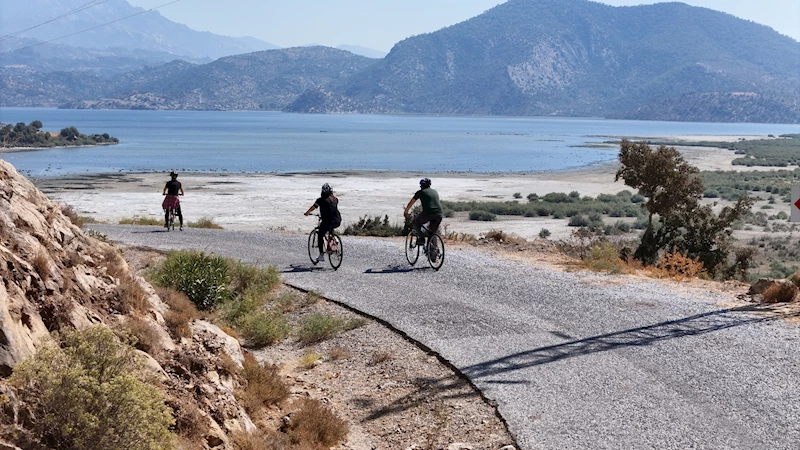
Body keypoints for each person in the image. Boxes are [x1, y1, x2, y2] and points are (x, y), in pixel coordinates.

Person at [304, 183, 341, 262]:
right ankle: (333, 239)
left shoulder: (321, 200)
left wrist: (307, 212)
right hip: (338, 220)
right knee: (331, 227)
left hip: (327, 221)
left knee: (320, 234)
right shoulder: (335, 199)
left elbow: (313, 207)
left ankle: (321, 255)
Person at [403, 177, 443, 250]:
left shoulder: (420, 192)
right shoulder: (434, 191)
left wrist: (406, 212)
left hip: (428, 213)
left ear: (421, 186)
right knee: (432, 232)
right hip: (439, 214)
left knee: (416, 223)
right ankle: (432, 252)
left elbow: (411, 203)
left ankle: (421, 238)